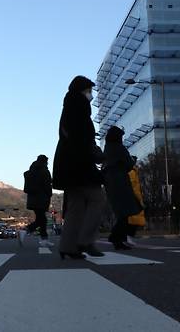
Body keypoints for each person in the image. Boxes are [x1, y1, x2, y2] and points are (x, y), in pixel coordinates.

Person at [52, 76, 106, 259]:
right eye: (89, 91)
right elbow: (82, 139)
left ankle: (68, 246)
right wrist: (95, 155)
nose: (91, 95)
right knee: (96, 199)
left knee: (76, 207)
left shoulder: (67, 108)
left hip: (67, 164)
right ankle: (85, 240)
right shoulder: (80, 108)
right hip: (80, 163)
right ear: (82, 91)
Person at [102, 126, 142, 251]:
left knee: (122, 212)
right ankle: (116, 236)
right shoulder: (119, 148)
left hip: (110, 182)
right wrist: (133, 160)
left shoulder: (107, 148)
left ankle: (118, 239)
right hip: (121, 182)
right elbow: (129, 164)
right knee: (132, 209)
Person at [20, 155, 54, 247]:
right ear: (45, 161)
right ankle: (25, 230)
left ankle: (44, 239)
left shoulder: (32, 171)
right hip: (42, 199)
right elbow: (46, 186)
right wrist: (49, 194)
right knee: (42, 219)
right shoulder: (44, 171)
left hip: (33, 199)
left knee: (41, 219)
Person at [126, 165, 145, 247]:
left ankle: (127, 236)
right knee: (134, 218)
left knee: (133, 218)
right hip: (134, 197)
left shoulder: (133, 172)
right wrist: (139, 199)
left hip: (134, 197)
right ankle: (128, 236)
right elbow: (133, 186)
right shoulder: (132, 172)